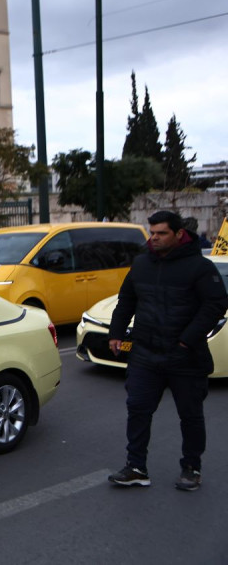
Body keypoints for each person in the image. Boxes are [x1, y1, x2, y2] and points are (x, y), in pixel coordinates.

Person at [106, 210, 228, 492]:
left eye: (161, 233)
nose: (155, 238)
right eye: (152, 233)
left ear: (178, 234)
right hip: (146, 354)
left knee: (190, 414)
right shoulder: (141, 263)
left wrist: (187, 339)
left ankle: (191, 468)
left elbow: (215, 305)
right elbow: (126, 300)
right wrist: (115, 333)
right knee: (137, 409)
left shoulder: (199, 267)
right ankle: (136, 467)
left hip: (185, 355)